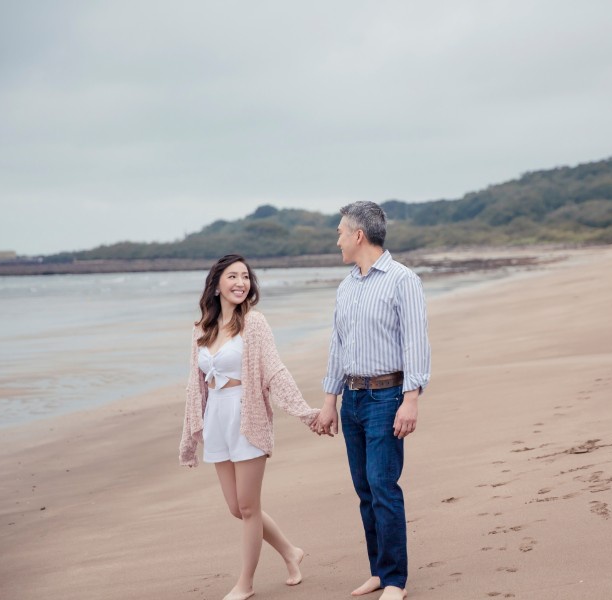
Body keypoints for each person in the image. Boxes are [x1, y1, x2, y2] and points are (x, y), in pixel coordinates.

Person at [179, 253, 320, 600]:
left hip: (247, 417)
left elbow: (274, 370)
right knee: (237, 508)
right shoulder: (201, 329)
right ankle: (290, 551)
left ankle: (246, 583)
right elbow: (194, 385)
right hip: (216, 419)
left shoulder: (255, 325)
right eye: (232, 276)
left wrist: (304, 411)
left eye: (245, 276)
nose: (241, 282)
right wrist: (189, 434)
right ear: (216, 285)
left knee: (248, 506)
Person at [315, 201, 431, 600]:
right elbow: (337, 347)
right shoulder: (346, 286)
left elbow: (416, 343)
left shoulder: (403, 281)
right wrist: (330, 401)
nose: (338, 240)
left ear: (358, 235)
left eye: (340, 232)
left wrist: (410, 399)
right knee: (364, 489)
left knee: (383, 486)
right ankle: (379, 572)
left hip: (387, 397)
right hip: (352, 399)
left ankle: (396, 580)